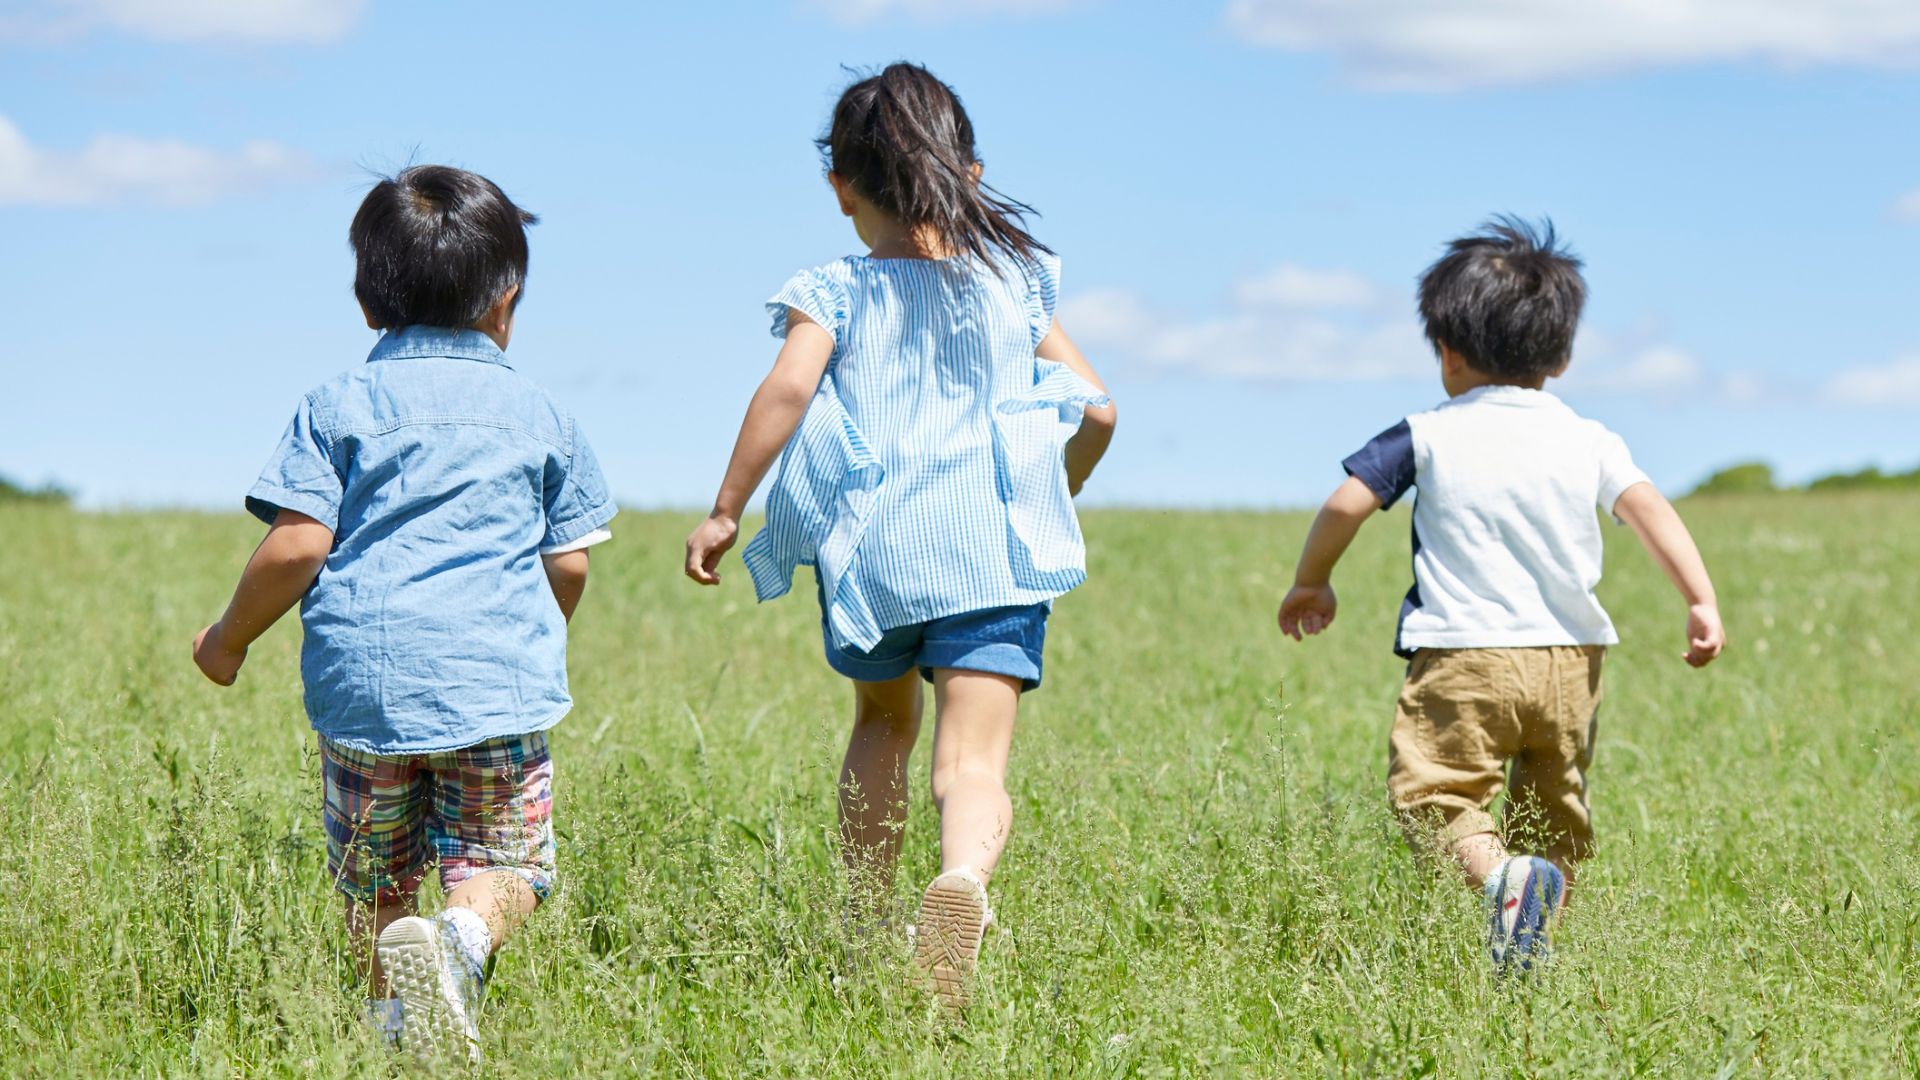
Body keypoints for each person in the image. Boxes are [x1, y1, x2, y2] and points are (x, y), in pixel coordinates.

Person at [683, 62, 1117, 1011]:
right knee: (971, 765)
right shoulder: (1016, 280)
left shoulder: (832, 288)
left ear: (840, 185)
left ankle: (867, 925)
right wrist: (1054, 489)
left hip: (876, 558)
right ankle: (960, 884)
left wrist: (727, 508)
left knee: (881, 725)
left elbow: (788, 392)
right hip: (993, 558)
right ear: (968, 170)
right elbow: (1099, 412)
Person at [190, 165, 616, 1061]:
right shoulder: (542, 415)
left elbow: (299, 546)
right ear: (507, 301)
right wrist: (530, 633)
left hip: (366, 695)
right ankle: (459, 949)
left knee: (375, 884)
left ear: (366, 300)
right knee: (508, 866)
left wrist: (227, 640)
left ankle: (394, 1037)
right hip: (495, 688)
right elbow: (568, 562)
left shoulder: (334, 407)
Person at [1277, 217, 1723, 975]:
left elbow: (1349, 500)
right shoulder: (1590, 437)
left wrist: (1312, 580)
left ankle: (1501, 886)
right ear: (1562, 353)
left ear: (1448, 353)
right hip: (1571, 660)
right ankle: (1533, 943)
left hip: (1464, 652)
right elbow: (1650, 509)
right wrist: (1700, 598)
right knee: (1556, 811)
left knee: (1439, 797)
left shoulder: (1426, 432)